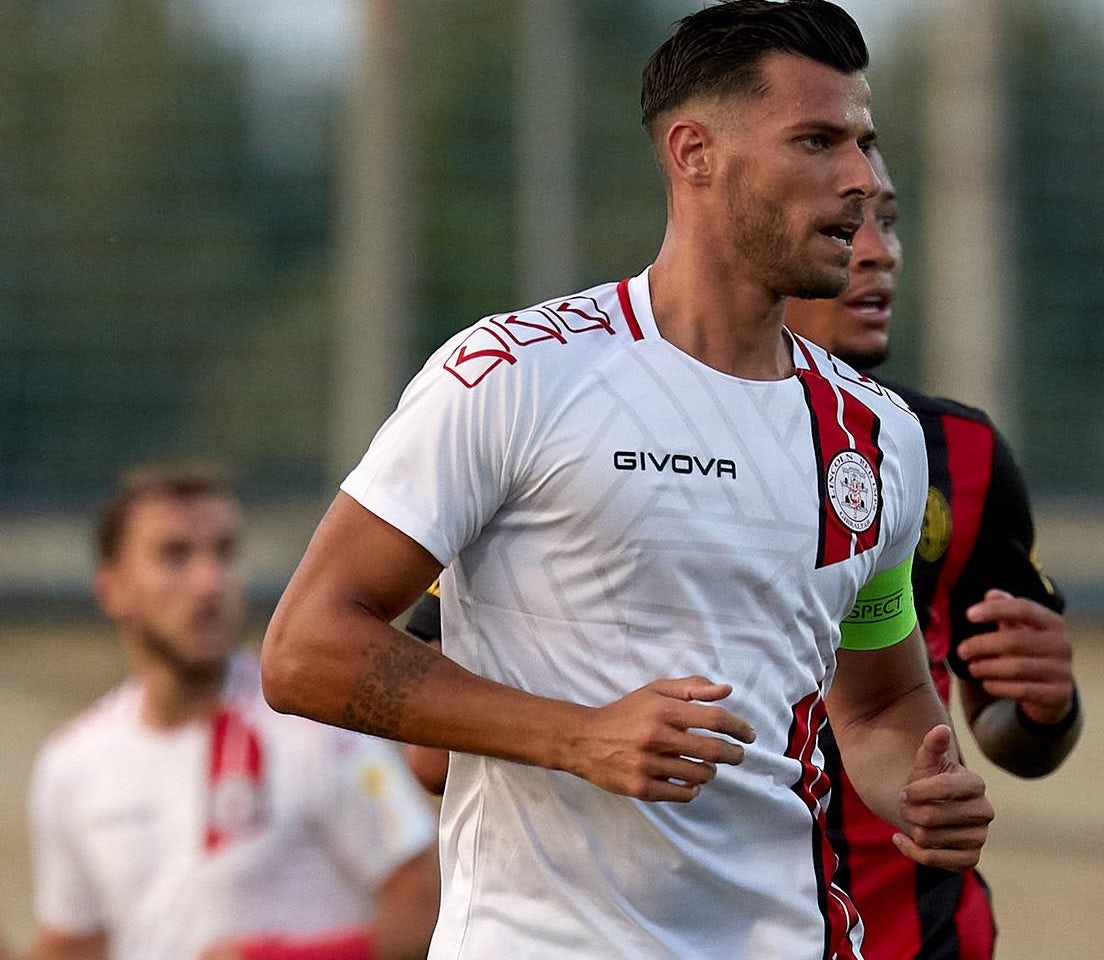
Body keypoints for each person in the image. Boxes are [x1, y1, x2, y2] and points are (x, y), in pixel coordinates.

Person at [261, 3, 994, 958]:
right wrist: (576, 736)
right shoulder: (515, 375)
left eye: (864, 143)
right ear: (694, 153)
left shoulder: (879, 437)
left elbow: (879, 703)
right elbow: (304, 649)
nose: (861, 180)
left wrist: (920, 784)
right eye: (818, 142)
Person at [784, 145, 1082, 960]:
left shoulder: (957, 452)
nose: (878, 250)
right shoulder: (623, 442)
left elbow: (1008, 732)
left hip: (925, 938)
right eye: (849, 222)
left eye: (890, 220)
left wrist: (1046, 702)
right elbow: (429, 760)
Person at [22, 465, 440, 960]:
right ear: (111, 589)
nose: (210, 581)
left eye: (223, 552)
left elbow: (426, 907)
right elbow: (76, 943)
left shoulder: (316, 726)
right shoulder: (72, 764)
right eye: (175, 556)